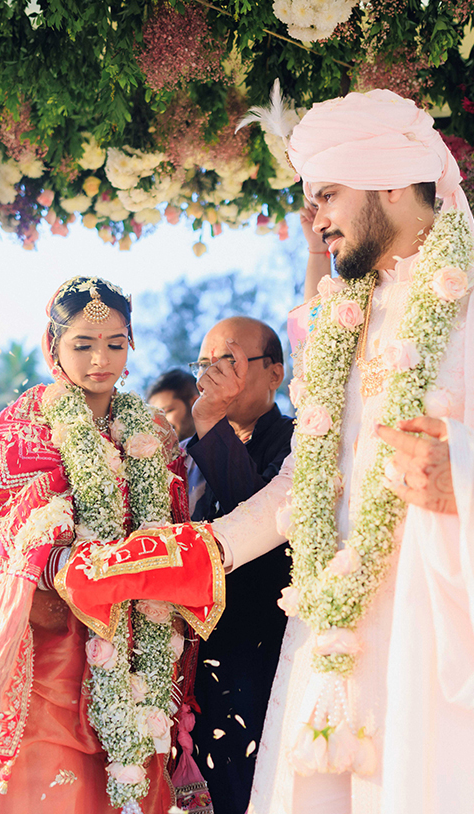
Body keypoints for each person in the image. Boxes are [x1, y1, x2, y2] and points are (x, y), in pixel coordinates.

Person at [86, 89, 474, 814]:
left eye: (327, 195)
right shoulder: (338, 323)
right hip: (334, 653)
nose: (316, 221)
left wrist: (472, 476)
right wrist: (196, 553)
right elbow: (308, 485)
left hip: (452, 654)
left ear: (389, 180)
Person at [0, 277, 219, 814]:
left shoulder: (150, 430)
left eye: (115, 343)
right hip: (44, 645)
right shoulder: (21, 425)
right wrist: (56, 555)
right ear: (53, 346)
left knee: (125, 775)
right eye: (83, 344)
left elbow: (172, 517)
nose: (100, 360)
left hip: (135, 640)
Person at [184, 318, 294, 814]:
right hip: (188, 657)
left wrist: (210, 423)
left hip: (258, 656)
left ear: (275, 373)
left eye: (228, 360)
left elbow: (258, 526)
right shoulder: (184, 455)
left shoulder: (299, 443)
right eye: (205, 363)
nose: (212, 374)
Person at [147, 368, 205, 513]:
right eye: (154, 417)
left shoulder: (216, 448)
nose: (160, 423)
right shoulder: (155, 464)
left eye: (168, 411)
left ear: (194, 403)